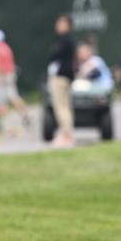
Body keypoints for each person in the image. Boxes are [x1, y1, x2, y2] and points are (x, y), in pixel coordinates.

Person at [0, 28, 29, 131]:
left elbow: (0, 64)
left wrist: (0, 76)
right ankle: (24, 115)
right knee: (13, 96)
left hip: (1, 76)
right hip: (8, 75)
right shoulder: (6, 48)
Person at [46, 14, 76, 148]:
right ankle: (66, 134)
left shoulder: (64, 42)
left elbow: (56, 58)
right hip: (64, 76)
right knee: (64, 107)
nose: (58, 25)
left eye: (61, 23)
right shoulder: (63, 41)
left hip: (61, 77)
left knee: (61, 107)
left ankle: (67, 135)